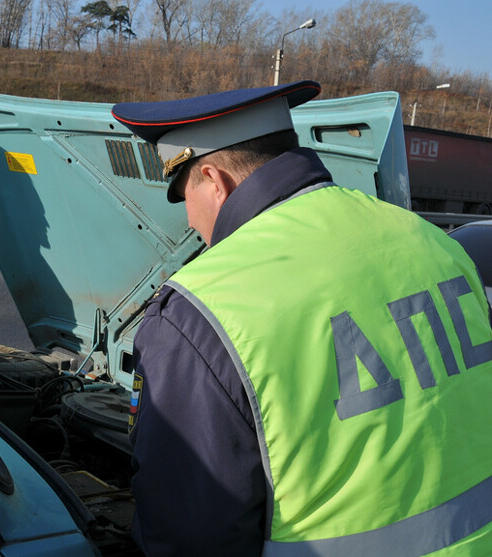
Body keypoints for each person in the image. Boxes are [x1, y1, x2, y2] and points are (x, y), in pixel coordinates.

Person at [112, 81, 492, 555]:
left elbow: (190, 536)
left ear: (214, 180)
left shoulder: (200, 312)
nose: (190, 221)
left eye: (185, 195)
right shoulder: (437, 245)